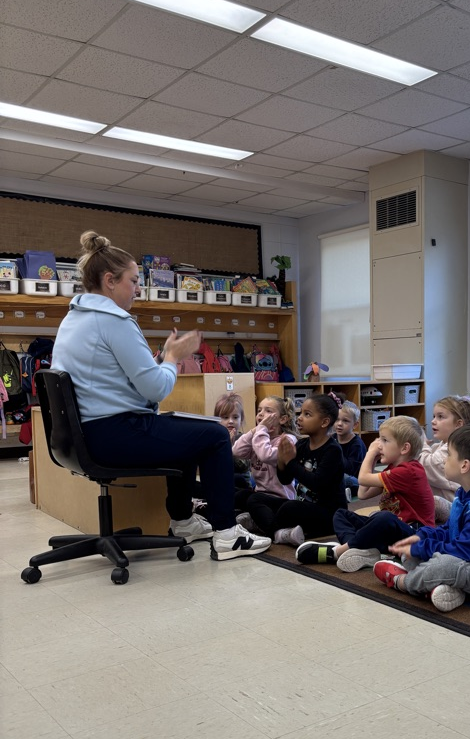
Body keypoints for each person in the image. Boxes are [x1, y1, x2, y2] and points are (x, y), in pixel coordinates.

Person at [50, 231, 270, 561]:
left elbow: (109, 377)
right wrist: (172, 357)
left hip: (85, 436)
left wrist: (159, 361)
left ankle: (183, 522)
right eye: (133, 280)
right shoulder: (115, 321)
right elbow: (156, 389)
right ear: (110, 281)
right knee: (213, 434)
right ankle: (226, 534)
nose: (138, 288)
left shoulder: (74, 318)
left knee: (187, 429)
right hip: (112, 434)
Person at [373, 423, 470, 613]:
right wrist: (423, 536)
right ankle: (442, 590)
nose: (445, 460)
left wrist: (422, 547)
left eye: (449, 455)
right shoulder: (465, 493)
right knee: (416, 555)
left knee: (444, 565)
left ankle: (403, 582)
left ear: (464, 465)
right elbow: (451, 530)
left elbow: (465, 551)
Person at [295, 415, 434, 572]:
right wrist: (374, 459)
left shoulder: (409, 471)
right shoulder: (393, 469)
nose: (379, 445)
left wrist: (370, 453)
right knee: (341, 514)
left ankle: (339, 551)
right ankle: (359, 549)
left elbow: (362, 478)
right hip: (390, 535)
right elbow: (363, 492)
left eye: (385, 440)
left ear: (404, 448)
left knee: (384, 517)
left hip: (413, 535)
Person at [244, 393, 346, 546]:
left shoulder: (332, 450)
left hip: (329, 515)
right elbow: (285, 480)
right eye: (300, 413)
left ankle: (268, 529)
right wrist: (281, 461)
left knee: (289, 507)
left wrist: (290, 462)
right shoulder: (301, 445)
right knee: (255, 498)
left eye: (307, 414)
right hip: (304, 506)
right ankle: (278, 532)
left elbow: (317, 483)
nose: (299, 418)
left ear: (324, 422)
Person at [233, 395, 298, 519]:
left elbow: (265, 455)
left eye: (268, 411)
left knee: (254, 499)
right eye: (259, 410)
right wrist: (254, 431)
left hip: (281, 499)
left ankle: (272, 528)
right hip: (260, 494)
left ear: (282, 419)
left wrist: (261, 430)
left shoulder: (287, 440)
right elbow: (236, 451)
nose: (261, 414)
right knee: (239, 495)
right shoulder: (259, 436)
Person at [420, 395, 470, 521]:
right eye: (434, 416)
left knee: (431, 503)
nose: (433, 421)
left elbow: (425, 466)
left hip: (456, 505)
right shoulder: (443, 445)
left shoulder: (456, 448)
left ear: (458, 424)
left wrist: (422, 444)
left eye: (440, 417)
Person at [213, 393, 252, 490]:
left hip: (240, 486)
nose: (230, 421)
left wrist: (229, 448)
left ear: (241, 419)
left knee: (236, 478)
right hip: (220, 483)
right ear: (217, 419)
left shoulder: (243, 438)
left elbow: (243, 466)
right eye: (225, 417)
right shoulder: (215, 439)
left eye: (235, 417)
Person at [334, 399, 366, 500]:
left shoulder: (357, 445)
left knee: (346, 479)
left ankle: (343, 492)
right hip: (335, 474)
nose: (339, 424)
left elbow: (350, 470)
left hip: (354, 479)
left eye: (345, 421)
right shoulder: (333, 438)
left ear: (355, 425)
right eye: (337, 419)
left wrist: (335, 450)